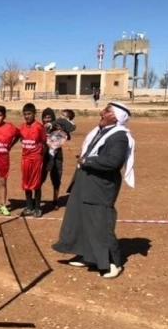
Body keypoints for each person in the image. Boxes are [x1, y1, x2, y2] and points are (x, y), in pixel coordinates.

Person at [52, 102, 136, 279]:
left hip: (100, 185)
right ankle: (87, 255)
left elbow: (114, 162)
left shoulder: (119, 136)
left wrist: (88, 162)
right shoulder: (101, 131)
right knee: (81, 218)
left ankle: (113, 262)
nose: (101, 112)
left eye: (106, 111)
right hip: (86, 180)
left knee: (100, 222)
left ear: (116, 117)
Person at [19, 103, 47, 217]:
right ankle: (29, 207)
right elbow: (21, 139)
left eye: (29, 114)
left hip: (36, 159)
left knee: (36, 184)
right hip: (25, 159)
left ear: (34, 114)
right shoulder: (22, 127)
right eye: (25, 114)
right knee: (26, 183)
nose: (27, 116)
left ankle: (37, 208)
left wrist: (42, 157)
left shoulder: (39, 127)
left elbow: (44, 143)